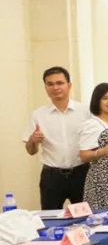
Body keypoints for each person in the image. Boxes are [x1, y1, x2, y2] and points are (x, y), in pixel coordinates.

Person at [24, 66, 91, 209]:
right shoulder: (38, 114)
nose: (55, 87)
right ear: (45, 88)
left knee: (87, 216)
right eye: (50, 84)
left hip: (82, 173)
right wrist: (33, 140)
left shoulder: (85, 111)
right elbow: (31, 151)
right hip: (52, 176)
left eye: (60, 83)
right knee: (50, 216)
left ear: (69, 85)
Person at [79, 83, 108, 209]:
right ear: (97, 101)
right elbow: (83, 156)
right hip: (101, 180)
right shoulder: (92, 124)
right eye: (105, 98)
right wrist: (101, 152)